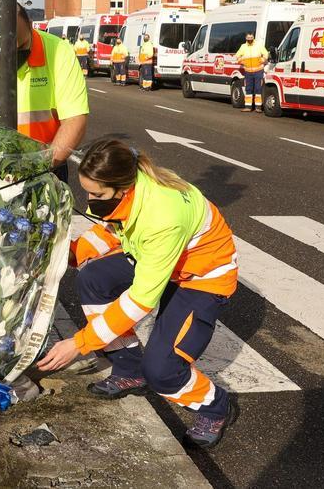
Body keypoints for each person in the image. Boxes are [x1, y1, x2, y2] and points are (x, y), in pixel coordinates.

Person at [37, 138, 240, 449]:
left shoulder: (163, 217)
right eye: (87, 192)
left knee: (162, 371)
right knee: (93, 278)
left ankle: (214, 406)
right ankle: (129, 369)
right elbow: (112, 228)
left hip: (200, 277)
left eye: (97, 194)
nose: (90, 201)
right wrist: (72, 254)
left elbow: (140, 300)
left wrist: (79, 343)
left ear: (122, 188)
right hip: (160, 259)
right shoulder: (129, 187)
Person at [0, 2, 89, 180]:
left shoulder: (60, 52)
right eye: (7, 50)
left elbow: (75, 119)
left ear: (31, 25)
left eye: (22, 46)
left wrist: (42, 164)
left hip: (47, 167)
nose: (14, 55)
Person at [234, 32, 268, 112]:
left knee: (258, 89)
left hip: (258, 71)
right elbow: (237, 56)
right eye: (248, 38)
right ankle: (248, 107)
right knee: (248, 89)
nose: (250, 39)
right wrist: (241, 61)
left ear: (253, 38)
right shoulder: (243, 46)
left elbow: (266, 53)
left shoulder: (258, 45)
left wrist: (262, 60)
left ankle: (258, 107)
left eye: (251, 38)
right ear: (246, 38)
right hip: (248, 72)